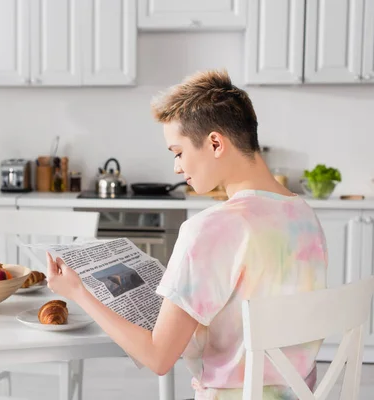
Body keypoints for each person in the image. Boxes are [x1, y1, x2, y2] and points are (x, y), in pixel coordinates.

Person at [46, 69, 327, 399]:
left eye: (178, 152)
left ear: (215, 143)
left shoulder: (211, 228)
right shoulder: (304, 214)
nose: (177, 168)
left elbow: (158, 357)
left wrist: (77, 291)